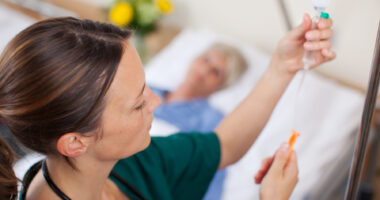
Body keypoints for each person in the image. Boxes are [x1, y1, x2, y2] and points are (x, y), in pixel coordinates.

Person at [0, 13, 334, 200]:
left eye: (146, 86)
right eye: (137, 104)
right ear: (75, 142)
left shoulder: (129, 164)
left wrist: (282, 66)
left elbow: (223, 146)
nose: (156, 101)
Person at [151, 43, 248, 200]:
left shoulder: (213, 122)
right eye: (206, 59)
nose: (204, 70)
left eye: (216, 72)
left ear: (222, 85)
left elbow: (211, 176)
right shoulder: (145, 88)